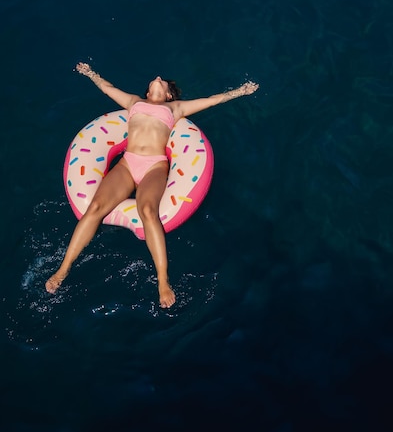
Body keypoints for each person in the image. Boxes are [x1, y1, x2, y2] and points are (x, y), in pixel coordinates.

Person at [45, 62, 259, 308]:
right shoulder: (134, 102)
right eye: (154, 78)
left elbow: (211, 100)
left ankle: (163, 282)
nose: (157, 77)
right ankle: (63, 270)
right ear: (148, 92)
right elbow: (108, 88)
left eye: (163, 80)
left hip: (155, 166)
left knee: (147, 211)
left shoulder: (176, 108)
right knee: (95, 207)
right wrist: (90, 73)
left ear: (168, 94)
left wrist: (240, 91)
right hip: (127, 163)